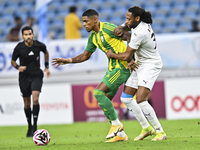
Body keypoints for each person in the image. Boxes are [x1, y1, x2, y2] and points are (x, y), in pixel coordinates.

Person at [53, 9, 132, 143]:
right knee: (105, 100)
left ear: (95, 20)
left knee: (98, 92)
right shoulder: (93, 38)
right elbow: (85, 56)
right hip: (112, 69)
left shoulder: (108, 28)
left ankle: (117, 125)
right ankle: (121, 134)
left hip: (121, 67)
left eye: (86, 21)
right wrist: (68, 60)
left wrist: (130, 57)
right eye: (83, 22)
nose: (83, 24)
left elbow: (129, 36)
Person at [106, 6, 167, 141]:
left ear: (137, 18)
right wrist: (122, 26)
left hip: (151, 64)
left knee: (141, 100)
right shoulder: (140, 24)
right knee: (126, 98)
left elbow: (127, 54)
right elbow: (128, 27)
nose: (127, 21)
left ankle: (160, 132)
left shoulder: (140, 32)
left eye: (129, 19)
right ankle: (146, 128)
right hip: (140, 63)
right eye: (126, 18)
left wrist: (112, 54)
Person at [11, 26, 51, 137]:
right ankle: (29, 125)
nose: (28, 36)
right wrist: (18, 67)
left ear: (33, 35)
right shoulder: (19, 48)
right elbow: (13, 61)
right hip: (24, 77)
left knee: (36, 98)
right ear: (23, 36)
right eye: (26, 35)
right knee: (27, 103)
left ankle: (35, 126)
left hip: (36, 75)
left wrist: (46, 67)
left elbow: (46, 52)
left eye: (30, 34)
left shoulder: (39, 45)